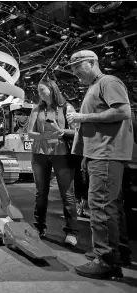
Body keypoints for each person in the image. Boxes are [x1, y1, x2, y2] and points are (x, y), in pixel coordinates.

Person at [66, 50, 134, 279]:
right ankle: (117, 254)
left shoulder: (108, 81)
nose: (75, 72)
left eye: (78, 66)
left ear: (92, 62)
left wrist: (82, 118)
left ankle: (106, 262)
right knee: (111, 206)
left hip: (106, 153)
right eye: (72, 67)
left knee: (101, 206)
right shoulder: (97, 86)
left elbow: (123, 111)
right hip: (101, 153)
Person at [27, 79, 78, 246]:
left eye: (43, 90)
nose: (40, 93)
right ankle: (39, 226)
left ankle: (71, 231)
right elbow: (30, 133)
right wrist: (45, 136)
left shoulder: (66, 107)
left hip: (61, 152)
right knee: (41, 192)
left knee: (67, 193)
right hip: (40, 153)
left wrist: (61, 132)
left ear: (52, 89)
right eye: (38, 91)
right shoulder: (37, 109)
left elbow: (77, 131)